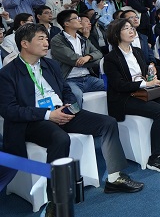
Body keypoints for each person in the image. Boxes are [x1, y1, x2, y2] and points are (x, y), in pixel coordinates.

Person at [0, 24, 144, 216]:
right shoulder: (8, 73)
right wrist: (47, 115)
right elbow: (9, 110)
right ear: (24, 44)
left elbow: (66, 90)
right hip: (33, 121)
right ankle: (55, 201)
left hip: (62, 111)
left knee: (108, 123)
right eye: (41, 39)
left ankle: (115, 178)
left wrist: (68, 105)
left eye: (46, 38)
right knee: (60, 138)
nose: (46, 42)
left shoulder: (50, 65)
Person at [104, 18, 160, 172]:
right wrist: (145, 84)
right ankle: (155, 157)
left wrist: (151, 77)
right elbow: (119, 85)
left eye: (131, 28)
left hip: (144, 92)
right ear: (116, 34)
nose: (131, 30)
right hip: (125, 97)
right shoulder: (111, 58)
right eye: (126, 28)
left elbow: (143, 73)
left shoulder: (136, 51)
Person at [51, 10, 105, 109]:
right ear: (66, 23)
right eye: (76, 18)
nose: (79, 20)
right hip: (70, 80)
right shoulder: (57, 40)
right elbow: (74, 60)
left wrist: (88, 57)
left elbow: (98, 53)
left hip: (88, 78)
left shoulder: (82, 38)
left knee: (113, 86)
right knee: (75, 96)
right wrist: (94, 61)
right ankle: (75, 118)